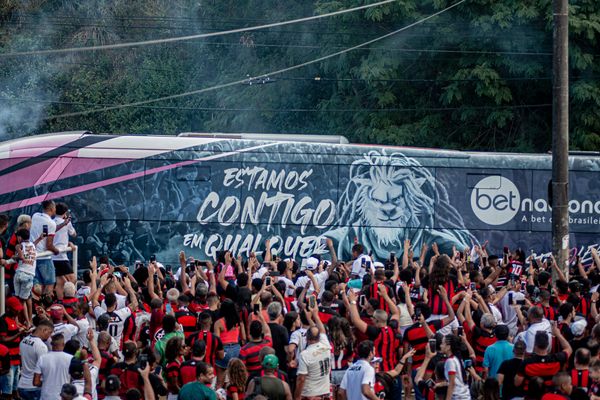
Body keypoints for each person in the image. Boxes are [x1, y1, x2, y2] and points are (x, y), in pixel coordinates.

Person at [294, 306, 330, 400]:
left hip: (311, 395)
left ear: (306, 338)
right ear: (319, 337)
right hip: (325, 393)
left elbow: (301, 378)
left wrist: (297, 396)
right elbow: (321, 330)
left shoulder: (305, 355)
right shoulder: (326, 345)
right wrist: (314, 315)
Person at [17, 319, 54, 400]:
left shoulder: (23, 341)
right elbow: (44, 368)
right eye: (50, 333)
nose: (49, 337)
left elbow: (21, 360)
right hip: (34, 388)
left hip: (22, 385)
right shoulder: (41, 346)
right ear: (44, 330)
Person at [30, 200, 60, 295]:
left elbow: (45, 232)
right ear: (51, 208)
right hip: (44, 258)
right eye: (55, 207)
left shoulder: (35, 216)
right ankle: (46, 306)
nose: (56, 209)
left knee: (38, 285)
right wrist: (56, 251)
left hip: (33, 256)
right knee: (50, 284)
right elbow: (49, 245)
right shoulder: (51, 223)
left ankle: (39, 306)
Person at [0, 297, 27, 400]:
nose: (18, 310)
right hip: (9, 361)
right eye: (15, 309)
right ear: (8, 309)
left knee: (15, 389)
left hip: (16, 361)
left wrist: (23, 332)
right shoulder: (3, 321)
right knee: (7, 391)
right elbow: (3, 340)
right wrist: (19, 333)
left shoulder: (13, 319)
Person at [33, 333, 74, 400]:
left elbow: (36, 382)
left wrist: (46, 383)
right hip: (64, 396)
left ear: (51, 344)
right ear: (63, 344)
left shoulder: (42, 358)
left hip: (46, 396)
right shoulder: (71, 359)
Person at [52, 202, 77, 300]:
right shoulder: (66, 223)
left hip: (52, 256)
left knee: (60, 282)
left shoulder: (51, 222)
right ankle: (68, 299)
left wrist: (68, 243)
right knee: (73, 279)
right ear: (65, 212)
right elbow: (74, 234)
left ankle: (60, 302)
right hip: (61, 257)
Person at [14, 228, 37, 327]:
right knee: (24, 299)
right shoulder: (33, 245)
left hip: (19, 273)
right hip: (28, 275)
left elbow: (21, 257)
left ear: (20, 237)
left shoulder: (19, 246)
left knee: (19, 299)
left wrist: (18, 250)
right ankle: (28, 322)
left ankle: (22, 321)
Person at [440, 334, 471, 400]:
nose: (440, 346)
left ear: (448, 347)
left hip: (457, 397)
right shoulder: (458, 358)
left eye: (442, 343)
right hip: (465, 395)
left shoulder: (450, 361)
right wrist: (440, 384)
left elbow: (452, 383)